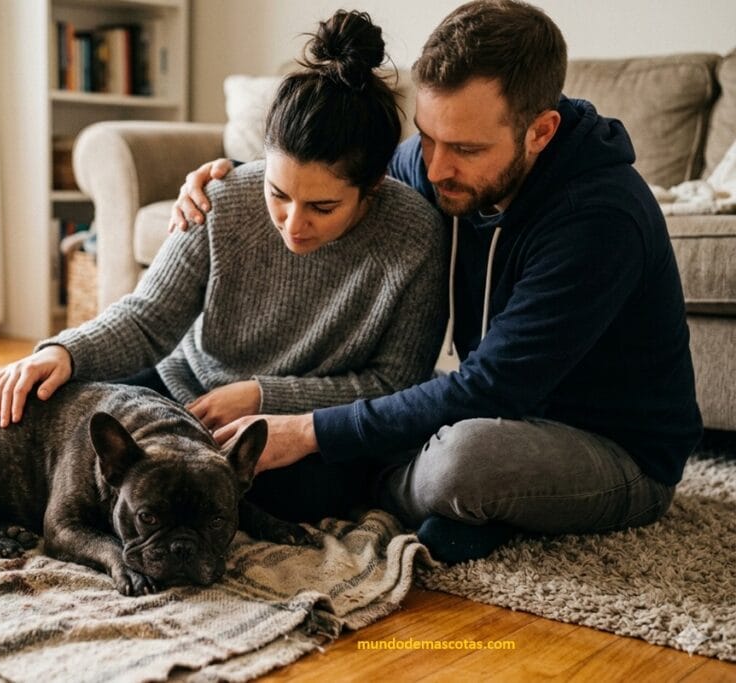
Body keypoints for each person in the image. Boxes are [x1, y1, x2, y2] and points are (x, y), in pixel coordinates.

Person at [178, 0, 703, 563]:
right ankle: (453, 507)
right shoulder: (435, 165)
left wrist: (311, 432)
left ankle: (402, 493)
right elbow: (343, 183)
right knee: (392, 419)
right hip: (491, 413)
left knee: (464, 461)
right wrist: (230, 182)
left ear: (540, 132)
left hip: (613, 452)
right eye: (427, 138)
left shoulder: (600, 217)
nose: (432, 169)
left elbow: (494, 387)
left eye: (466, 149)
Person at [0, 11, 449, 521]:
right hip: (186, 387)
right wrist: (64, 352)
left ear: (373, 187)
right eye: (278, 193)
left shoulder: (416, 235)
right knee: (61, 409)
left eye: (322, 208)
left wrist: (262, 396)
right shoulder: (221, 196)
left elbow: (393, 385)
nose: (292, 224)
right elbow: (147, 318)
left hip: (298, 421)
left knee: (312, 494)